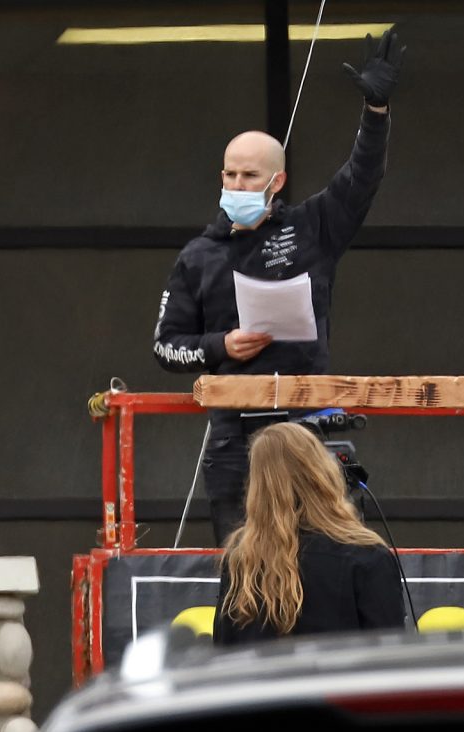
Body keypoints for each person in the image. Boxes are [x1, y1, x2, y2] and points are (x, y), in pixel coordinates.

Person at [155, 29, 406, 543]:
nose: (237, 185)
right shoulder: (198, 255)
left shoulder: (312, 228)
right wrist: (218, 345)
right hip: (230, 437)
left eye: (250, 176)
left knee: (312, 559)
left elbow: (361, 179)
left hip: (301, 426)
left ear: (277, 182)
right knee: (239, 568)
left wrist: (375, 112)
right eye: (229, 175)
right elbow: (164, 345)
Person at [213, 422, 407, 645]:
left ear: (257, 486)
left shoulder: (241, 562)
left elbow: (223, 657)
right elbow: (390, 660)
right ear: (322, 474)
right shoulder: (369, 557)